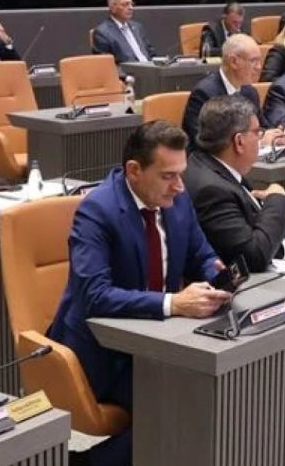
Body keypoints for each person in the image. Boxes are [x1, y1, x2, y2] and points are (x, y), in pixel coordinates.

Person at [48, 121, 231, 465]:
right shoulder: (97, 210)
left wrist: (219, 278)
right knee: (186, 400)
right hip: (104, 352)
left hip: (160, 340)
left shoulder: (177, 199)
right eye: (167, 176)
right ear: (134, 170)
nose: (179, 186)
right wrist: (173, 303)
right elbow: (95, 295)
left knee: (217, 388)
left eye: (181, 174)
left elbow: (201, 254)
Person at [184, 95, 285, 273]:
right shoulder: (211, 190)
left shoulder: (212, 165)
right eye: (257, 132)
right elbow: (253, 258)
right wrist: (277, 200)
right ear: (239, 142)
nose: (260, 138)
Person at [182, 34, 285, 149]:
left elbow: (262, 128)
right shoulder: (204, 94)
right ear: (233, 62)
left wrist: (276, 136)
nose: (259, 67)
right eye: (253, 61)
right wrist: (258, 142)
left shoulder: (250, 92)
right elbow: (206, 144)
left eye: (259, 61)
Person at [91, 0, 156, 63]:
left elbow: (151, 53)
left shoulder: (137, 27)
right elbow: (106, 64)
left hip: (149, 68)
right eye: (125, 4)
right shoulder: (102, 33)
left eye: (132, 4)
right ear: (113, 7)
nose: (131, 8)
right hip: (128, 70)